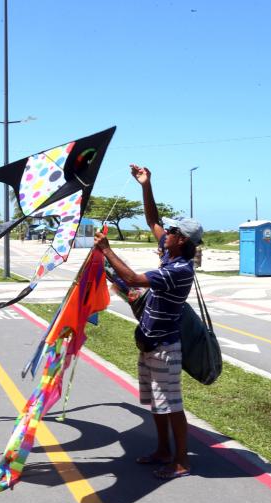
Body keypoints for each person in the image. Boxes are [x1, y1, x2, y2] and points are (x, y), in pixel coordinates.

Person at [94, 163, 203, 481]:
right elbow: (153, 219)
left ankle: (181, 460)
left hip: (165, 347)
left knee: (172, 403)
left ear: (181, 240)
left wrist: (106, 249)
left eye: (171, 232)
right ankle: (163, 451)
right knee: (156, 401)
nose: (164, 233)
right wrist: (146, 184)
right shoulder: (170, 254)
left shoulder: (178, 270)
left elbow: (131, 277)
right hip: (150, 343)